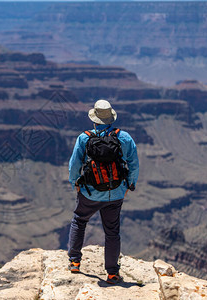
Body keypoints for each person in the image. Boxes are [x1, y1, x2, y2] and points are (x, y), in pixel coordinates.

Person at [67, 99, 139, 284]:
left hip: (90, 192)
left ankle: (74, 262)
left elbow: (74, 164)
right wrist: (129, 185)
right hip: (115, 192)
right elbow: (133, 163)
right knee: (112, 232)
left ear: (94, 119)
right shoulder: (124, 137)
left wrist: (75, 182)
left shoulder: (84, 138)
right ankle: (112, 273)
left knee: (79, 220)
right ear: (111, 119)